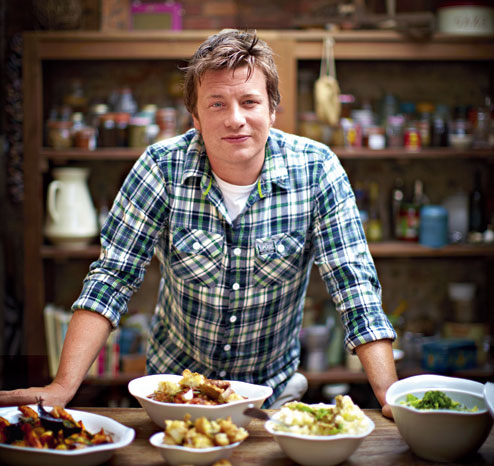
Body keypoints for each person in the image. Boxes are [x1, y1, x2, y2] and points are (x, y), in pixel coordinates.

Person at [0, 29, 397, 416]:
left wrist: (388, 397)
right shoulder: (161, 168)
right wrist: (62, 387)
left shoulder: (317, 169)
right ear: (195, 117)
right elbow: (112, 278)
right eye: (217, 104)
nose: (235, 119)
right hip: (175, 392)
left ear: (272, 110)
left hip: (270, 394)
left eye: (250, 102)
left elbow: (353, 284)